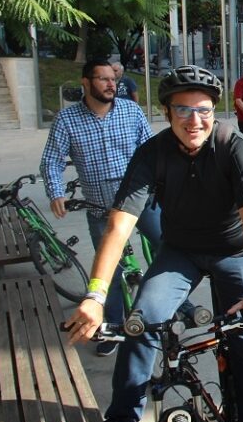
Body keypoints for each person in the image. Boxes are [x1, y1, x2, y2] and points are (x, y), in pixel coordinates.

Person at [65, 65, 243, 422]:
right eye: (183, 110)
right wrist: (95, 295)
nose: (195, 121)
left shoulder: (233, 145)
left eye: (204, 111)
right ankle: (122, 420)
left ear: (214, 112)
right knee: (141, 321)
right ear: (166, 113)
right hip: (180, 251)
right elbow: (118, 225)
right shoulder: (153, 152)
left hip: (231, 252)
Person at [40, 59, 160, 356]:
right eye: (103, 79)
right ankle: (111, 328)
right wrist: (56, 192)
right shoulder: (67, 120)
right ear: (85, 82)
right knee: (108, 272)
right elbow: (51, 160)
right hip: (100, 208)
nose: (111, 84)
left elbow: (153, 152)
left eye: (113, 79)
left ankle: (169, 305)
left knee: (168, 246)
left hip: (140, 200)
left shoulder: (131, 111)